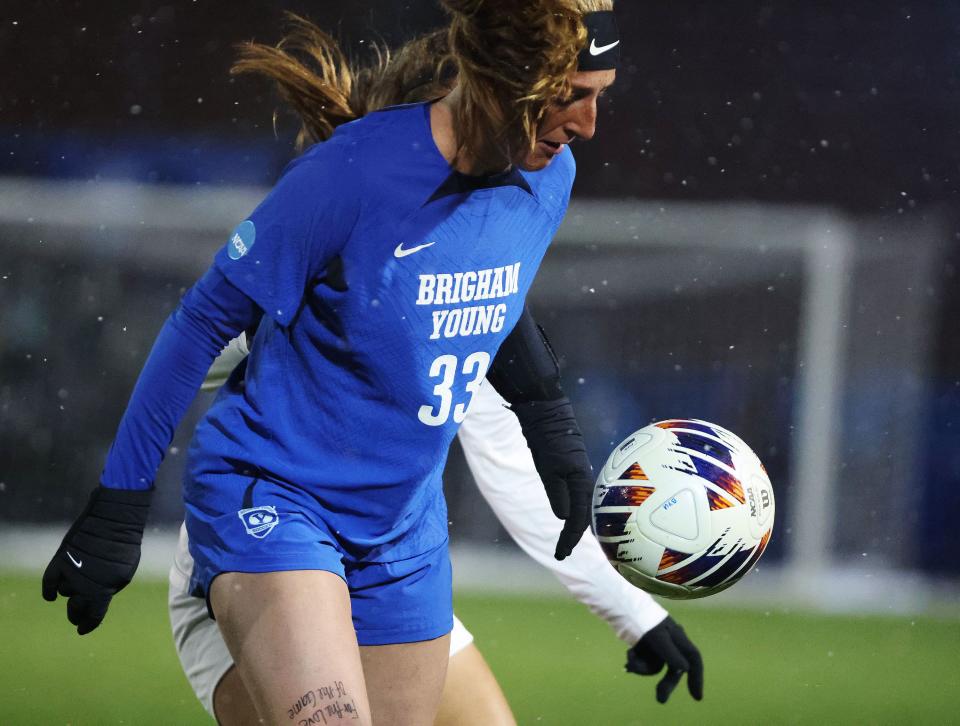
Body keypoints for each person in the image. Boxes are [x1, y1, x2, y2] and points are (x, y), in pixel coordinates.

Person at [42, 1, 699, 724]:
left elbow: (490, 290)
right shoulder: (351, 174)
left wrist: (550, 421)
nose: (587, 125)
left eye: (598, 96)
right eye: (570, 97)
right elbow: (201, 323)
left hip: (401, 533)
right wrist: (119, 503)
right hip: (276, 502)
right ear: (502, 84)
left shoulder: (547, 178)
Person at [172, 333, 704, 724]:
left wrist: (636, 613)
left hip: (385, 568)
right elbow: (190, 352)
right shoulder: (337, 230)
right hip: (261, 548)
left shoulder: (471, 294)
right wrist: (267, 328)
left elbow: (516, 472)